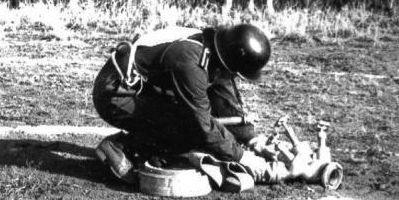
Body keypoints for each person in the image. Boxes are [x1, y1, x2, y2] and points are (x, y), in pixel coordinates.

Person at [92, 24, 273, 184]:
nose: (235, 78)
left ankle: (151, 146)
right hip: (114, 93)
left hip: (139, 88)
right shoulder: (191, 62)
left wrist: (251, 138)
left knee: (202, 128)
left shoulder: (215, 49)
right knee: (190, 130)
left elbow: (224, 96)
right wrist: (242, 157)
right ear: (229, 65)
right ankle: (121, 146)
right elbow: (201, 123)